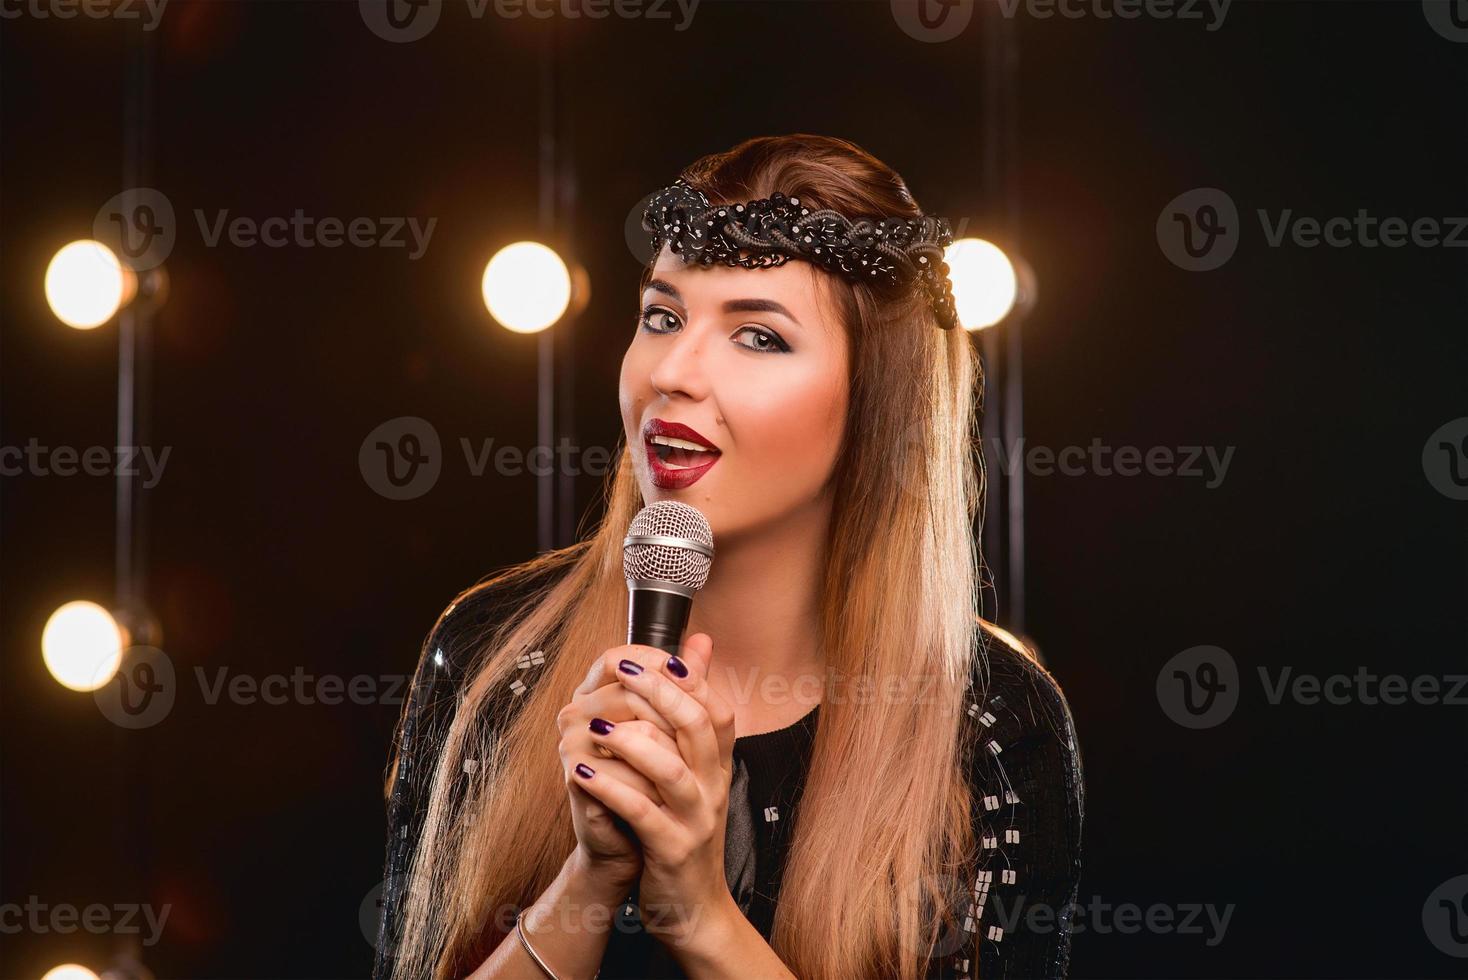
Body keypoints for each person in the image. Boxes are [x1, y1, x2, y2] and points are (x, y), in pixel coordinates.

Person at [372, 133, 1084, 980]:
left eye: (758, 337)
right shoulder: (493, 654)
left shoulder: (996, 725)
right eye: (663, 317)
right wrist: (592, 878)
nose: (673, 371)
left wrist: (701, 914)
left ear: (872, 406)